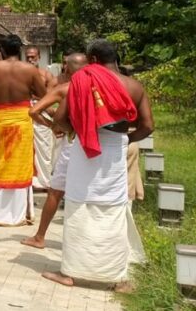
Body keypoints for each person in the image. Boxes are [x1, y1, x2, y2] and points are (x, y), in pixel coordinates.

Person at [43, 39, 151, 289]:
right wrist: (123, 139)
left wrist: (80, 132)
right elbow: (148, 126)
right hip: (115, 152)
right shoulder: (134, 85)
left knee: (78, 206)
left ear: (92, 60)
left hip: (84, 150)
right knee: (113, 207)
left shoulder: (82, 81)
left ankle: (69, 273)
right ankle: (117, 278)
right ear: (116, 58)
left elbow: (59, 120)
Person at [0, 34, 47, 226]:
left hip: (1, 120)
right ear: (19, 50)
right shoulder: (30, 69)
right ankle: (18, 214)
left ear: (1, 51)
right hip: (22, 120)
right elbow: (43, 95)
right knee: (21, 163)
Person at [22, 53, 88, 249]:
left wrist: (54, 126)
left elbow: (35, 111)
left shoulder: (65, 88)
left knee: (55, 191)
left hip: (72, 140)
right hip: (98, 144)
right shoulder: (99, 88)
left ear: (67, 68)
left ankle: (40, 237)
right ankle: (86, 240)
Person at [25, 45, 59, 191]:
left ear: (39, 57)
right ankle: (26, 180)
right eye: (28, 57)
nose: (30, 59)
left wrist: (41, 103)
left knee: (44, 147)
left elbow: (49, 97)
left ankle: (44, 182)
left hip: (41, 111)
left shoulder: (46, 75)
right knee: (24, 147)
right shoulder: (20, 73)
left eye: (33, 57)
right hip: (23, 111)